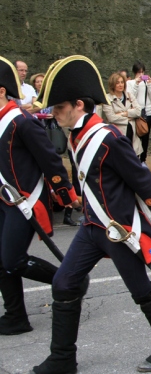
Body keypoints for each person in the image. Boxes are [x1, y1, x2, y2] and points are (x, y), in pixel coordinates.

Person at [32, 55, 151, 373]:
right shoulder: (76, 136)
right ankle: (62, 358)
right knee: (63, 283)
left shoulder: (109, 138)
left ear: (77, 104)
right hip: (92, 226)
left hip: (119, 229)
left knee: (142, 292)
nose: (54, 114)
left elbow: (141, 178)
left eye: (58, 108)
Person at [0, 57, 79, 337]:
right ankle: (15, 316)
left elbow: (50, 160)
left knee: (13, 260)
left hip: (24, 201)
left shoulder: (21, 121)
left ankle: (68, 283)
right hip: (3, 199)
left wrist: (65, 192)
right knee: (2, 261)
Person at [102, 72, 143, 156]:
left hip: (132, 134)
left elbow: (138, 111)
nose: (120, 85)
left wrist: (125, 113)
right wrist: (130, 116)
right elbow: (111, 118)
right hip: (118, 134)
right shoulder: (107, 99)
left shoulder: (129, 95)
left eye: (122, 82)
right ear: (112, 84)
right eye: (117, 83)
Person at [127, 61, 151, 163]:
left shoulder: (147, 83)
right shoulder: (129, 83)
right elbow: (131, 97)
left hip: (148, 113)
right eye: (138, 72)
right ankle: (134, 158)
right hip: (137, 113)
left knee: (145, 136)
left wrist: (150, 85)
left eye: (142, 72)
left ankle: (143, 160)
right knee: (135, 136)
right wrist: (136, 84)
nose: (141, 75)